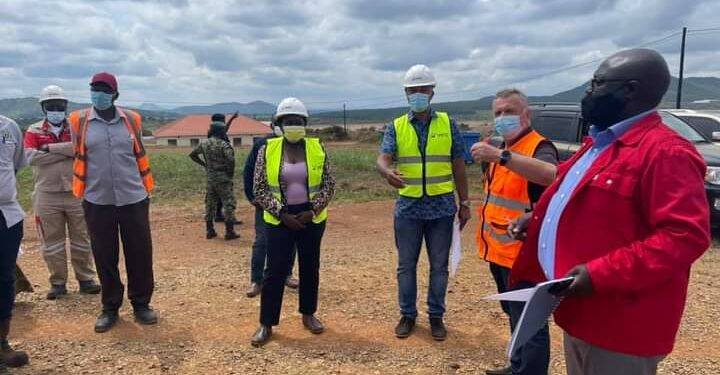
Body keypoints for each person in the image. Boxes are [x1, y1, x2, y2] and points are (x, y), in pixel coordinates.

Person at [509, 48, 710, 375]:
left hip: (622, 325)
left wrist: (599, 275)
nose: (587, 94)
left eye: (596, 84)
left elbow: (684, 237)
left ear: (630, 89)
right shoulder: (600, 144)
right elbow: (571, 193)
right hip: (583, 313)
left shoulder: (665, 152)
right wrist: (538, 220)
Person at [376, 64, 471, 341]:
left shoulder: (447, 123)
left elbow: (458, 166)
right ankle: (407, 315)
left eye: (423, 89)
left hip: (442, 208)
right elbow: (383, 158)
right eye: (413, 90)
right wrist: (385, 171)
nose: (418, 93)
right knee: (406, 265)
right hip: (408, 209)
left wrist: (464, 202)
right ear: (406, 93)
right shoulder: (396, 126)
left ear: (432, 92)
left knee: (439, 266)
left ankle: (436, 317)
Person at [470, 88, 558, 375]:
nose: (502, 118)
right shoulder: (502, 149)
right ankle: (518, 366)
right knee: (515, 316)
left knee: (530, 323)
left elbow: (549, 174)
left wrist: (500, 155)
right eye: (498, 113)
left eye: (509, 111)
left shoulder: (538, 146)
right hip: (500, 252)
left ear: (526, 114)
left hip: (525, 255)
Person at [68, 72, 157, 333]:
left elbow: (139, 150)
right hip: (97, 199)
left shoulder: (131, 119)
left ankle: (141, 303)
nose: (99, 93)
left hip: (134, 197)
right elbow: (77, 152)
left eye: (104, 89)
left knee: (140, 253)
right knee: (104, 255)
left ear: (115, 94)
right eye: (95, 88)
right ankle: (110, 307)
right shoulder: (79, 121)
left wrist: (143, 188)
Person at [250, 97, 335, 347]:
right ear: (279, 124)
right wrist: (282, 214)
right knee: (275, 271)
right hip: (279, 220)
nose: (293, 125)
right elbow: (260, 188)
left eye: (297, 121)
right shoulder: (268, 149)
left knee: (310, 267)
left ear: (305, 123)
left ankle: (308, 314)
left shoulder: (317, 147)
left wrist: (312, 211)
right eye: (288, 121)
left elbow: (329, 184)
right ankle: (266, 323)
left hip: (311, 218)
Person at [24, 85, 101, 300]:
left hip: (77, 192)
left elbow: (83, 150)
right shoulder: (34, 130)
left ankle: (86, 279)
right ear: (43, 108)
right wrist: (67, 152)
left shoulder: (76, 128)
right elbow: (31, 157)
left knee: (82, 238)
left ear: (66, 106)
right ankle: (58, 282)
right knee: (51, 242)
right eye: (51, 106)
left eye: (59, 105)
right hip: (46, 194)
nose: (55, 109)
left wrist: (49, 148)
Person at [242, 122, 298, 298]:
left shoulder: (300, 144)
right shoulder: (263, 144)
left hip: (292, 202)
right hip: (266, 202)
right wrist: (252, 197)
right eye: (282, 123)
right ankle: (256, 281)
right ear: (274, 125)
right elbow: (249, 171)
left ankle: (287, 274)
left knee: (291, 241)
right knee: (262, 241)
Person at [0, 114, 30, 370]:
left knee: (4, 278)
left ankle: (2, 345)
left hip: (6, 214)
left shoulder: (9, 127)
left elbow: (15, 166)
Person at [189, 118, 240, 240]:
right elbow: (231, 161)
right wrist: (229, 173)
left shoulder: (204, 143)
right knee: (228, 203)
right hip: (223, 178)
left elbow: (192, 155)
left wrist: (204, 164)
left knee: (210, 203)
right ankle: (229, 231)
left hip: (211, 179)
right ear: (221, 132)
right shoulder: (224, 145)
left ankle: (210, 230)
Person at [210, 112, 240, 224]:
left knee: (217, 194)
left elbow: (225, 129)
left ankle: (218, 215)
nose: (224, 122)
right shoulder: (219, 133)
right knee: (228, 196)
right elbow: (225, 130)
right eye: (223, 120)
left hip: (214, 169)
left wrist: (232, 119)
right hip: (223, 169)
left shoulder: (213, 132)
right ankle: (230, 219)